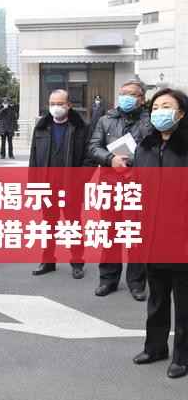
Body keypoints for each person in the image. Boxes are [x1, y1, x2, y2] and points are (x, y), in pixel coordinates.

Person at [133, 88, 188, 379]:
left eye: (167, 106)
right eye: (155, 107)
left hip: (182, 235)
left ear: (181, 113)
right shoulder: (145, 146)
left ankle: (182, 356)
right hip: (153, 234)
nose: (160, 112)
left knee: (184, 302)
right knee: (157, 298)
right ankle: (155, 347)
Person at [88, 80, 152, 301]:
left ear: (141, 99)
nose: (126, 98)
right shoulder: (105, 120)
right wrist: (110, 159)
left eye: (132, 94)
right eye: (123, 93)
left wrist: (134, 162)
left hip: (137, 185)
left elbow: (154, 149)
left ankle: (137, 282)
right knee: (109, 233)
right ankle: (108, 279)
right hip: (110, 183)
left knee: (135, 234)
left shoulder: (149, 121)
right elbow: (93, 147)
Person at [29, 89, 90, 280]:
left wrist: (80, 180)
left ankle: (77, 261)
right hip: (47, 185)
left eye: (60, 104)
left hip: (71, 185)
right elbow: (33, 159)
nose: (56, 107)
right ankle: (48, 260)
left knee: (73, 224)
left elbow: (89, 159)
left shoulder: (81, 128)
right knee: (48, 225)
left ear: (69, 105)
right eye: (52, 104)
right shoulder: (41, 127)